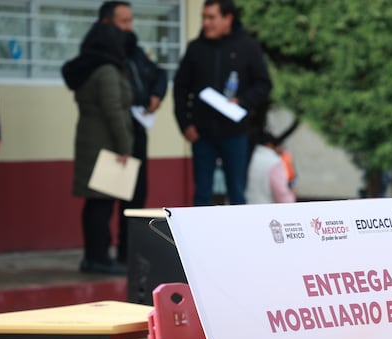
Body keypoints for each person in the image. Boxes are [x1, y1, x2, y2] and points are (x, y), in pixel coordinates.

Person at [173, 0, 272, 206]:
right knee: (202, 193)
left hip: (235, 133)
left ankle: (237, 238)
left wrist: (243, 101)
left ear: (228, 19)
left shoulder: (248, 47)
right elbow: (180, 88)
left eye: (212, 17)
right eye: (204, 17)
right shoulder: (196, 48)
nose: (206, 23)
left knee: (237, 191)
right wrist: (185, 123)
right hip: (202, 134)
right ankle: (199, 238)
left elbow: (264, 84)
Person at [62, 22, 133, 275]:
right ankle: (98, 258)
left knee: (95, 204)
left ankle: (94, 256)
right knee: (101, 206)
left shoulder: (89, 67)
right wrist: (125, 146)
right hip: (105, 146)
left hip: (91, 141)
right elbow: (113, 109)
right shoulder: (106, 71)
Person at [98, 1, 166, 265]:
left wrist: (157, 95)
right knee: (108, 197)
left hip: (139, 129)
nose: (129, 27)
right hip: (114, 133)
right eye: (123, 22)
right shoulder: (103, 55)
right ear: (107, 23)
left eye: (130, 21)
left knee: (137, 194)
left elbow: (158, 73)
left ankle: (128, 251)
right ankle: (103, 255)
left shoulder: (134, 50)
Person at [245, 130, 295, 204]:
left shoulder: (243, 158)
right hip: (265, 209)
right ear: (269, 145)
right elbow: (280, 192)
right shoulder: (274, 161)